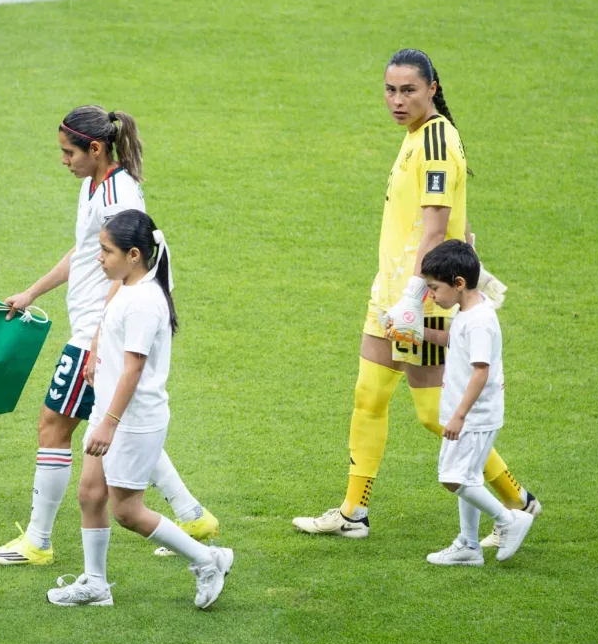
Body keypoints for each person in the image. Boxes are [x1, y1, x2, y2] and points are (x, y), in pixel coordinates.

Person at [292, 49, 539, 541]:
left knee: (435, 414)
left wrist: (410, 298)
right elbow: (456, 221)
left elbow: (432, 228)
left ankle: (517, 502)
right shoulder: (418, 137)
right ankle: (352, 512)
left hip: (420, 298)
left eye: (408, 90)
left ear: (431, 88)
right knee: (369, 396)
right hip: (390, 293)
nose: (397, 100)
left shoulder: (436, 142)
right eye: (390, 90)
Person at [0, 106, 216, 566]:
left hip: (96, 329)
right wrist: (32, 291)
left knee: (54, 424)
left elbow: (124, 270)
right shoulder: (94, 185)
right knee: (114, 425)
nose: (63, 160)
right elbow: (86, 251)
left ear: (95, 148)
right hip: (91, 326)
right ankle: (191, 514)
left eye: (69, 152)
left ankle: (38, 541)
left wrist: (95, 342)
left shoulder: (121, 196)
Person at [47, 211, 233, 608]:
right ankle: (95, 584)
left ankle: (207, 560)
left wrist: (108, 425)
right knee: (90, 494)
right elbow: (113, 341)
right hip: (111, 411)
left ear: (134, 255)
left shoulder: (146, 302)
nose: (99, 258)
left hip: (132, 421)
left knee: (128, 512)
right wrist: (96, 356)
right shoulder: (126, 287)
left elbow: (134, 368)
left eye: (106, 250)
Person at [417, 241, 534, 566]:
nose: (431, 296)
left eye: (434, 288)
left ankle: (510, 521)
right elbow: (454, 339)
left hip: (473, 418)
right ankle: (469, 545)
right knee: (468, 477)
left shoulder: (480, 320)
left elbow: (481, 372)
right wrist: (415, 331)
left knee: (452, 478)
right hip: (471, 416)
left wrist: (458, 416)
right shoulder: (468, 310)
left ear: (458, 283)